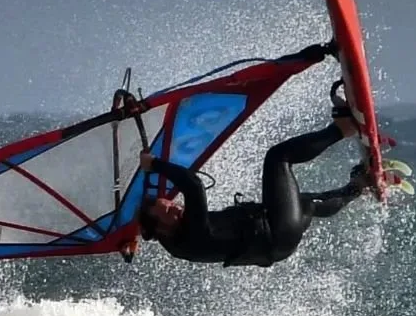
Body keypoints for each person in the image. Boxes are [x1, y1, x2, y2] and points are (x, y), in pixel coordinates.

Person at [136, 94, 367, 267]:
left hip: (276, 243)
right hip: (276, 230)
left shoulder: (171, 239)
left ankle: (357, 188)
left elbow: (149, 227)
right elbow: (193, 186)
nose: (175, 208)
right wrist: (154, 164)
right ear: (160, 228)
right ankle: (341, 129)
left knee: (307, 205)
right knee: (278, 157)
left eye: (170, 204)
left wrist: (133, 235)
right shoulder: (188, 235)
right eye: (167, 212)